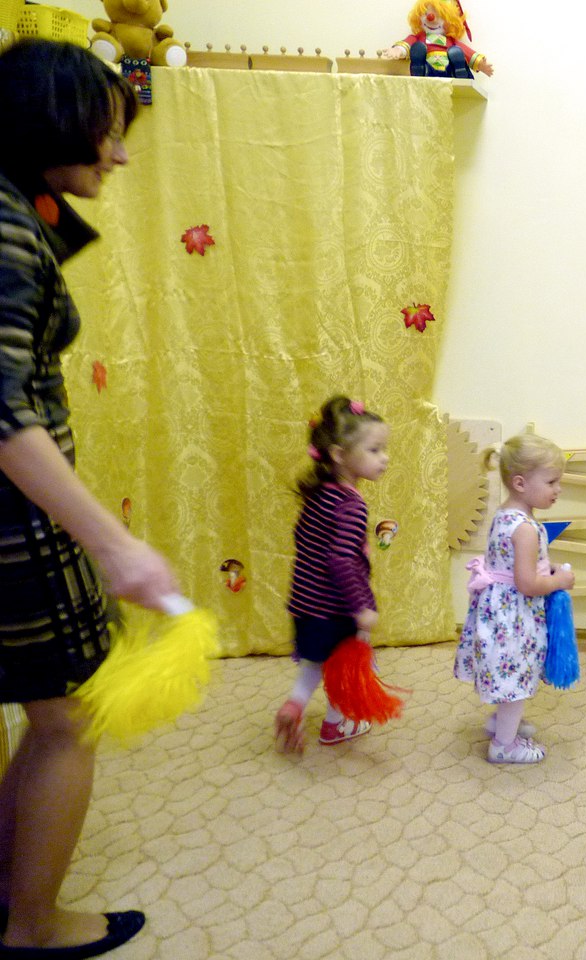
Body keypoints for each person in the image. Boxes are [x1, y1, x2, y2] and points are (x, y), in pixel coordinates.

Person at [0, 39, 179, 956]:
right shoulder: (5, 231)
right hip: (16, 533)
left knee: (43, 716)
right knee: (67, 717)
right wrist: (113, 544)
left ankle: (9, 895)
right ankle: (34, 925)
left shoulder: (18, 211)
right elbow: (3, 413)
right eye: (105, 133)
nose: (120, 155)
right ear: (48, 125)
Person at [274, 397, 390, 753]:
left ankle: (294, 704)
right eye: (374, 450)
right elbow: (341, 561)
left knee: (314, 662)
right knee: (344, 668)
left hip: (304, 606)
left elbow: (303, 540)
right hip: (334, 610)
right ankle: (336, 724)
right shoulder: (351, 505)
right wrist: (360, 608)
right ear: (339, 455)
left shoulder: (319, 494)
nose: (384, 458)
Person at [455, 433, 574, 764]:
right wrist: (559, 580)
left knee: (507, 672)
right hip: (515, 617)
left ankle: (501, 721)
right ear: (520, 483)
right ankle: (503, 745)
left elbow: (514, 566)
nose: (558, 489)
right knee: (517, 676)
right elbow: (527, 583)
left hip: (499, 611)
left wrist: (545, 567)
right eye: (551, 482)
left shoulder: (505, 514)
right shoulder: (525, 528)